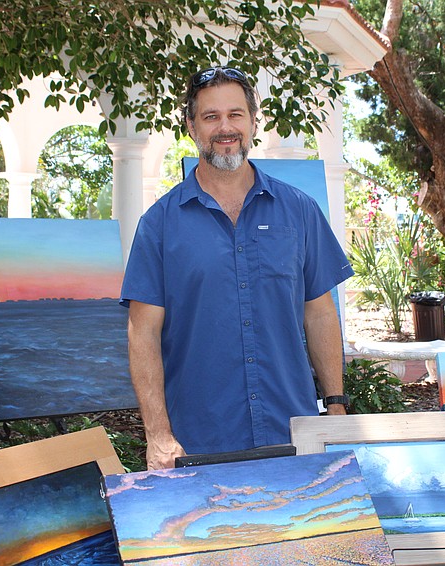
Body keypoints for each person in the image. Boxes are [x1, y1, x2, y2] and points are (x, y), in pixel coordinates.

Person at [120, 66, 353, 470]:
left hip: (292, 432)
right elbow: (143, 334)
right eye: (211, 117)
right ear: (191, 126)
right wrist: (158, 434)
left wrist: (335, 407)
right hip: (199, 441)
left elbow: (319, 314)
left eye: (235, 115)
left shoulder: (299, 210)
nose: (225, 127)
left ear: (253, 122)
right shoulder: (158, 225)